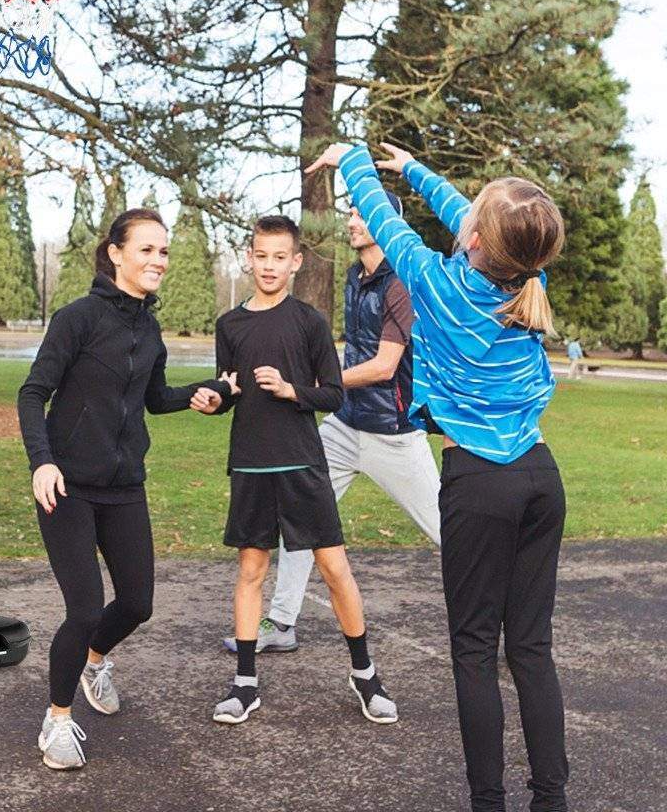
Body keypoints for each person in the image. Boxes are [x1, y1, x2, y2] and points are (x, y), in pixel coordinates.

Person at [307, 141, 568, 812]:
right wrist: (415, 171)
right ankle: (552, 800)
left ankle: (489, 802)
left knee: (476, 651)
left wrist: (354, 160)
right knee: (531, 649)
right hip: (540, 477)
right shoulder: (529, 277)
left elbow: (382, 216)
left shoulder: (435, 280)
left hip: (480, 483)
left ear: (475, 238)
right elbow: (481, 222)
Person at [17, 208, 232, 771]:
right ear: (115, 253)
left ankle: (94, 662)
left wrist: (202, 393)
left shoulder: (149, 328)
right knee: (85, 607)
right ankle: (58, 721)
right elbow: (31, 393)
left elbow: (154, 397)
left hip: (124, 486)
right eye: (147, 250)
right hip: (66, 486)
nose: (159, 260)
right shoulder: (78, 319)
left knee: (137, 603)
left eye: (164, 251)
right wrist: (42, 462)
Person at [193, 214, 398, 727]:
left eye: (279, 257)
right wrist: (214, 399)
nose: (268, 265)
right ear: (249, 256)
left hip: (303, 463)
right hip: (250, 463)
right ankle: (245, 685)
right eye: (260, 255)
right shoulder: (229, 324)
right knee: (251, 572)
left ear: (295, 262)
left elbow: (331, 392)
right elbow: (230, 390)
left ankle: (365, 675)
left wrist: (290, 390)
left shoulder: (309, 322)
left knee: (334, 569)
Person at [223, 193, 441, 656]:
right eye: (353, 212)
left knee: (449, 529)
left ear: (389, 222)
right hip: (344, 425)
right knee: (300, 522)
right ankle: (280, 623)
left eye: (364, 214)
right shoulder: (354, 277)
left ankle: (498, 623)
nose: (353, 220)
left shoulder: (400, 283)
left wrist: (305, 384)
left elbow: (383, 366)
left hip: (392, 430)